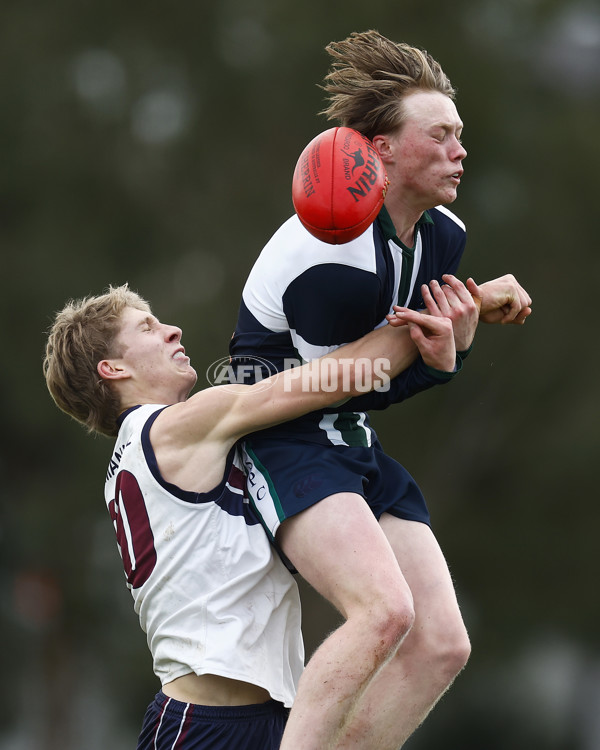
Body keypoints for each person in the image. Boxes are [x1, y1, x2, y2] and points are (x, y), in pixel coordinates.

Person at [229, 30, 532, 749]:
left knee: (441, 644)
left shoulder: (443, 237)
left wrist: (447, 348)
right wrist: (463, 324)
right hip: (284, 437)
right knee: (383, 614)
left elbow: (387, 381)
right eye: (442, 135)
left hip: (351, 437)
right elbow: (338, 385)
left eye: (461, 134)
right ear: (385, 150)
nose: (460, 150)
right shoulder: (331, 255)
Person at [43, 281, 463, 749]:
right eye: (147, 327)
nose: (172, 330)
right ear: (113, 368)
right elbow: (331, 381)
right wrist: (451, 311)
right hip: (203, 726)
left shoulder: (159, 449)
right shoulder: (173, 429)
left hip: (259, 720)